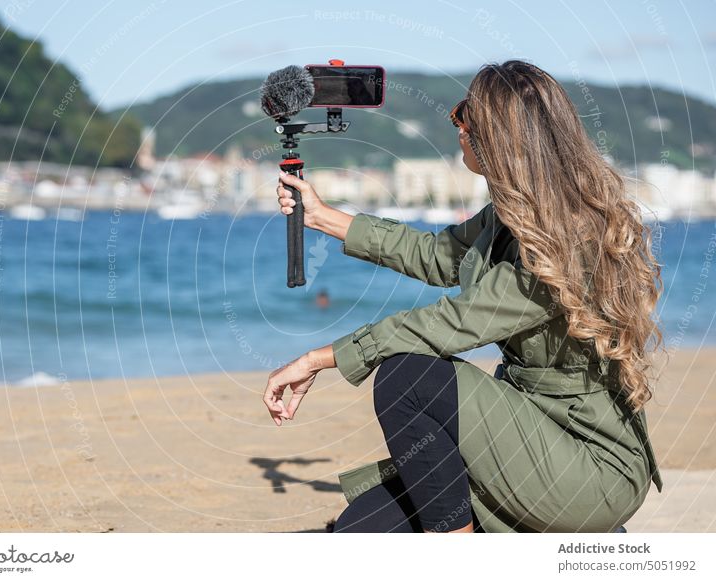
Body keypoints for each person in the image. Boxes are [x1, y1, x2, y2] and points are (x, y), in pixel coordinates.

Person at [262, 60, 665, 533]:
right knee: (356, 531)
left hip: (587, 470)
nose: (456, 125)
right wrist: (323, 217)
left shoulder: (570, 243)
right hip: (524, 437)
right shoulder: (510, 217)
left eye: (463, 114)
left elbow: (454, 323)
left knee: (407, 377)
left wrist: (320, 358)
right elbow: (436, 255)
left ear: (496, 134)